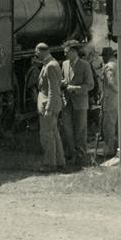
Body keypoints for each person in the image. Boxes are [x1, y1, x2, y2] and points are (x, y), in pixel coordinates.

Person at [61, 40, 95, 167]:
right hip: (67, 102)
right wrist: (63, 82)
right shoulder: (64, 64)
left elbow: (90, 85)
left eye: (66, 52)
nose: (65, 55)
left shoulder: (85, 65)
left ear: (74, 52)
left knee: (80, 130)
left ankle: (81, 157)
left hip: (80, 103)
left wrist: (75, 89)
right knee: (67, 129)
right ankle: (71, 155)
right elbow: (64, 78)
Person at [35, 42, 65, 173]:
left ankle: (49, 164)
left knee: (47, 135)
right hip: (50, 104)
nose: (35, 55)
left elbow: (53, 90)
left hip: (48, 105)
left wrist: (48, 108)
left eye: (37, 52)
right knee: (54, 134)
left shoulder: (50, 66)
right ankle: (60, 161)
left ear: (42, 51)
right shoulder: (51, 64)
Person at [101, 48, 119, 158]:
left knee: (109, 126)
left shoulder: (108, 67)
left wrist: (118, 91)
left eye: (103, 55)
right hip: (117, 100)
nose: (102, 58)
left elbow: (111, 83)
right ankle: (114, 148)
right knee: (115, 125)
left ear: (106, 55)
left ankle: (109, 150)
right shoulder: (117, 64)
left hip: (110, 100)